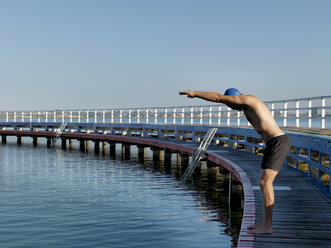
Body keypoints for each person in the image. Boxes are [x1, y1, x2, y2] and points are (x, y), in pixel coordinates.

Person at [179, 88, 291, 234]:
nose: (231, 107)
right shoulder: (246, 106)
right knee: (263, 183)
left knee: (265, 183)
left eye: (231, 103)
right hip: (272, 144)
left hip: (278, 143)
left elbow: (218, 97)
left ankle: (268, 226)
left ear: (235, 97)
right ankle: (264, 222)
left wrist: (196, 93)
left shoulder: (249, 99)